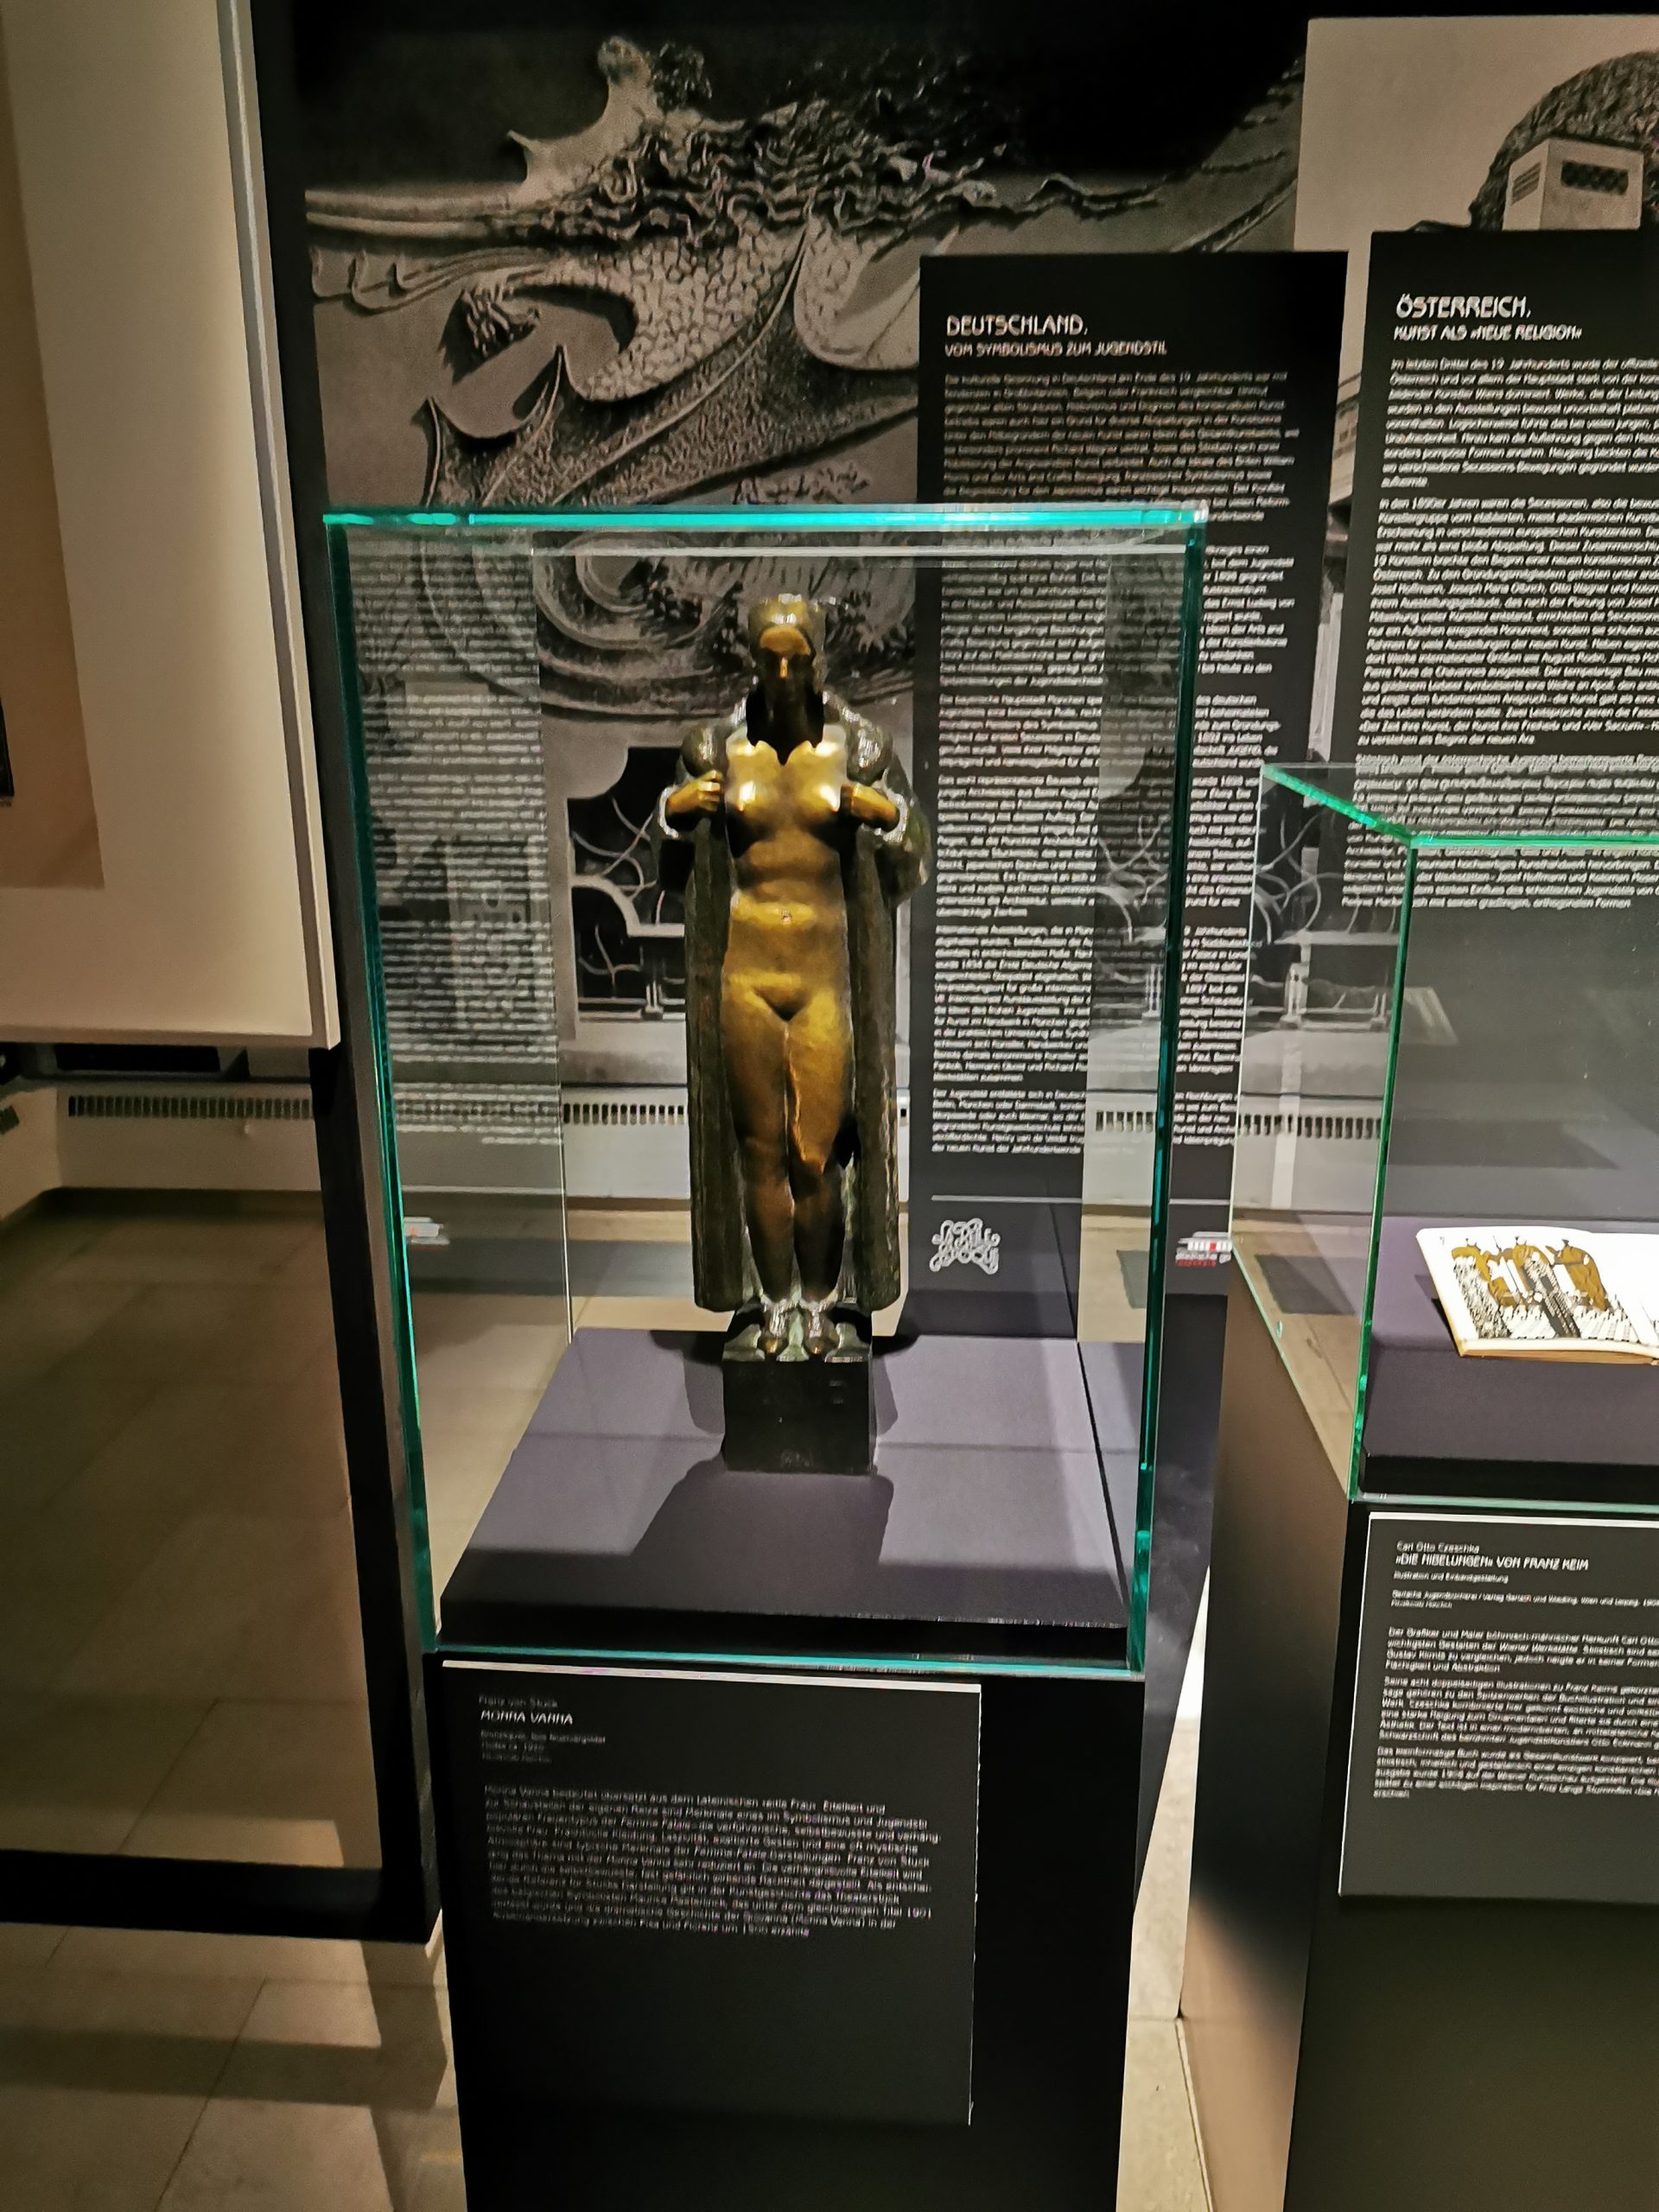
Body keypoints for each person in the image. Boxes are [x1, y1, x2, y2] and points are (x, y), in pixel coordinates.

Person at [658, 593, 929, 1356]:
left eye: (795, 660)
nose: (781, 675)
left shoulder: (860, 751)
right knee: (760, 1151)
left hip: (822, 980)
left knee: (817, 1153)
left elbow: (913, 858)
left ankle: (821, 1298)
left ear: (817, 664)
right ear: (753, 663)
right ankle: (774, 1302)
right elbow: (675, 869)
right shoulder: (715, 752)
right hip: (743, 976)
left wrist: (887, 816)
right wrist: (676, 811)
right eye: (768, 660)